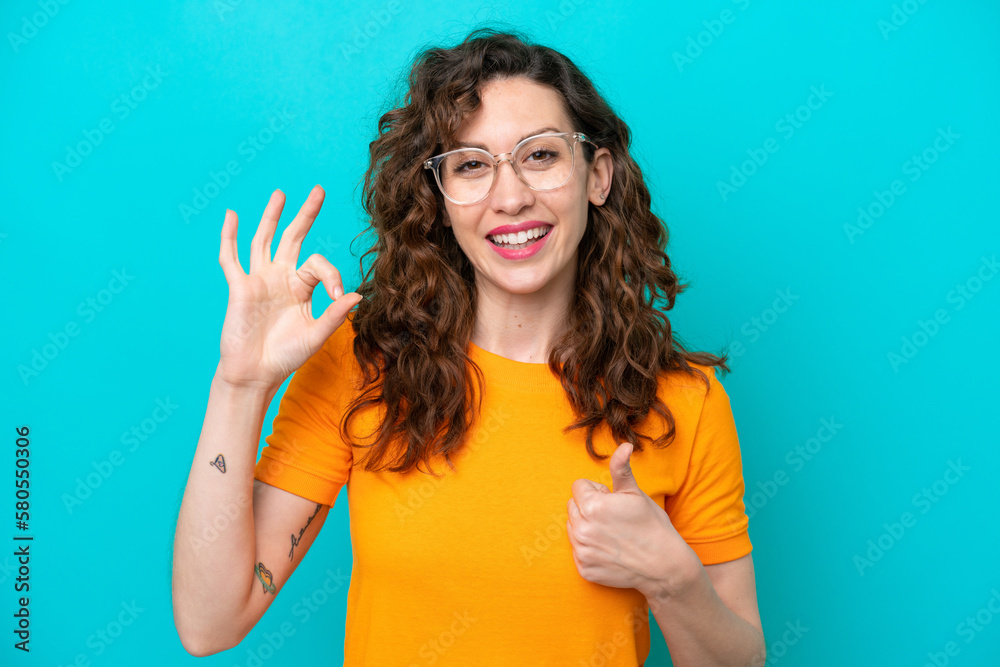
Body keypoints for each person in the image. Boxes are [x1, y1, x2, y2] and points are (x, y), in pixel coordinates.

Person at [172, 27, 766, 666]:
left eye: (540, 155)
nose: (510, 198)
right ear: (440, 199)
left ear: (597, 174)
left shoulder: (686, 401)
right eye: (472, 165)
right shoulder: (362, 360)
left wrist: (670, 578)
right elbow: (211, 624)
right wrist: (241, 385)